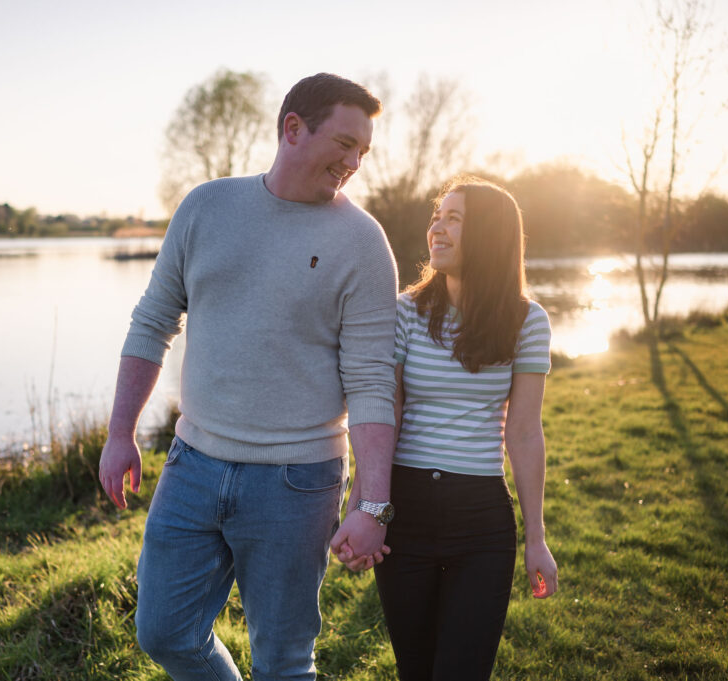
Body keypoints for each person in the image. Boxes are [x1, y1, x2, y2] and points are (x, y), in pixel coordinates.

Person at [98, 73, 399, 681]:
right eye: (344, 144)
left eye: (362, 152)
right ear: (293, 128)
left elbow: (371, 382)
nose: (353, 163)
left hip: (298, 482)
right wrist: (119, 431)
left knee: (284, 662)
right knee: (163, 632)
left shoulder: (364, 244)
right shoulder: (207, 207)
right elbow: (154, 320)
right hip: (193, 463)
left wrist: (373, 503)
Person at [373, 176, 559, 681]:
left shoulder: (527, 321)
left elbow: (523, 431)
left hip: (481, 523)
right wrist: (366, 507)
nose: (438, 227)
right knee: (416, 671)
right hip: (405, 516)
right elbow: (384, 416)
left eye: (455, 219)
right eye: (438, 216)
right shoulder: (405, 311)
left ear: (491, 236)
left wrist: (536, 538)